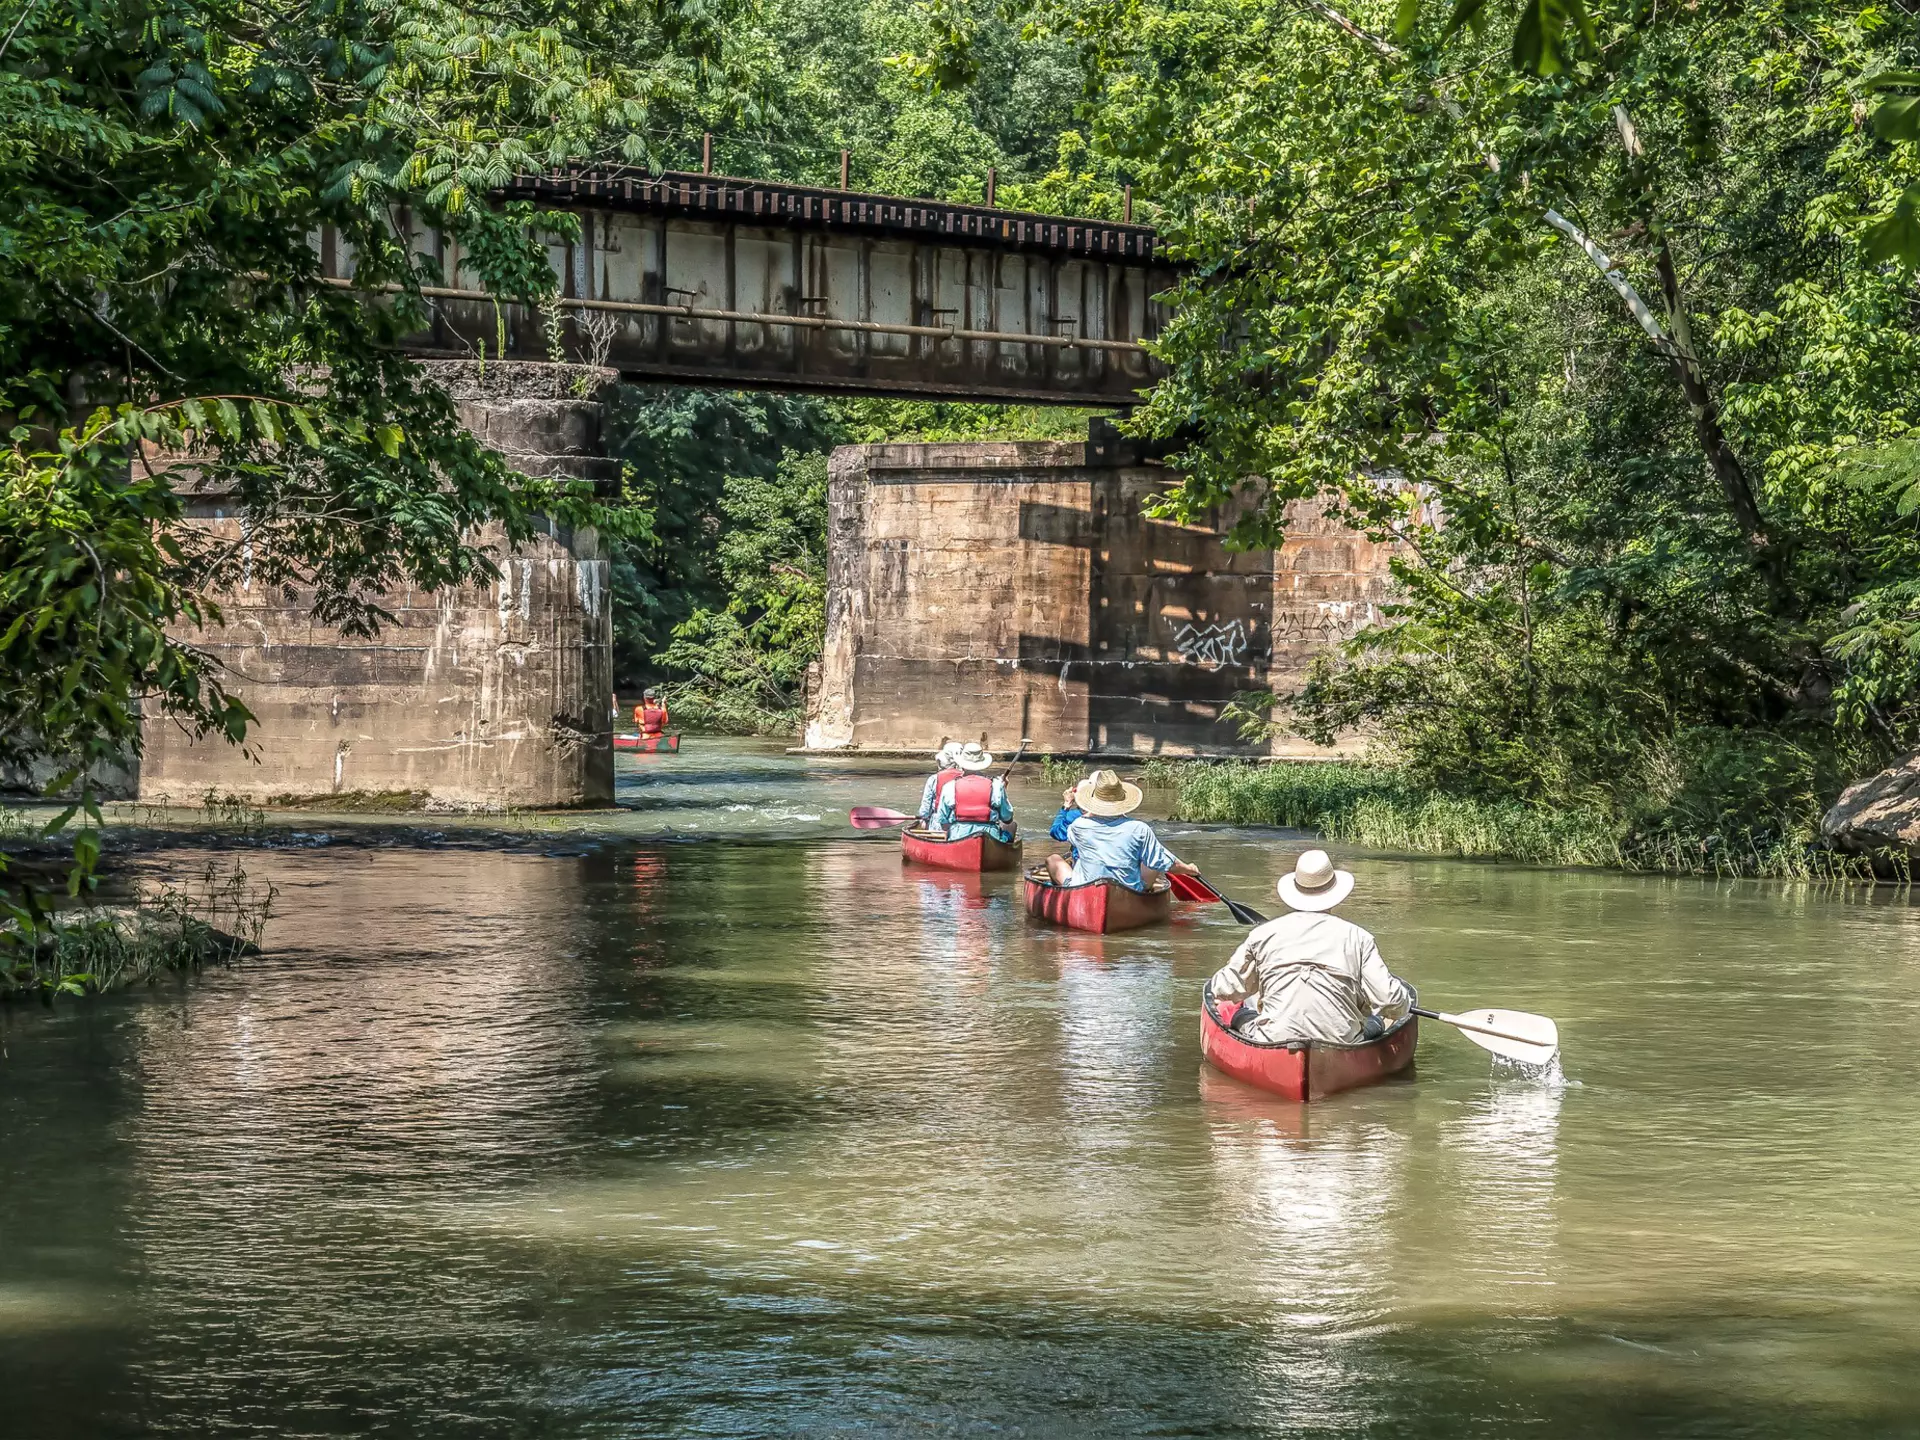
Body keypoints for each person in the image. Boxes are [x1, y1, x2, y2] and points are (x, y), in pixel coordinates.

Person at [1207, 849, 1412, 1044]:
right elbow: (1390, 1000)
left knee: (1240, 1012)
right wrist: (1405, 1005)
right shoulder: (1359, 938)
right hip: (1341, 1041)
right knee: (1376, 1021)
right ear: (1335, 894)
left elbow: (1223, 989)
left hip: (1273, 1039)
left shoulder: (1261, 935)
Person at [1045, 769, 1198, 891]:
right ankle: (1145, 892)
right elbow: (1166, 863)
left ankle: (1062, 892)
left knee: (1053, 860)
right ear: (1122, 801)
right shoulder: (1140, 829)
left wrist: (1073, 806)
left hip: (1084, 888)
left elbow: (1057, 832)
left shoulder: (1078, 826)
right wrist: (1189, 869)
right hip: (1128, 891)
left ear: (1093, 801)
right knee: (1151, 862)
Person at [933, 742, 1017, 843]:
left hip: (958, 837)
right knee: (1012, 826)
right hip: (990, 837)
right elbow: (1007, 818)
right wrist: (1003, 789)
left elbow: (942, 820)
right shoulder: (996, 785)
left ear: (962, 765)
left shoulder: (949, 786)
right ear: (983, 765)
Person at [916, 741, 963, 826]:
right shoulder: (967, 778)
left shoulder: (934, 779)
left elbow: (926, 807)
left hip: (939, 823)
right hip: (962, 822)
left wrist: (923, 819)